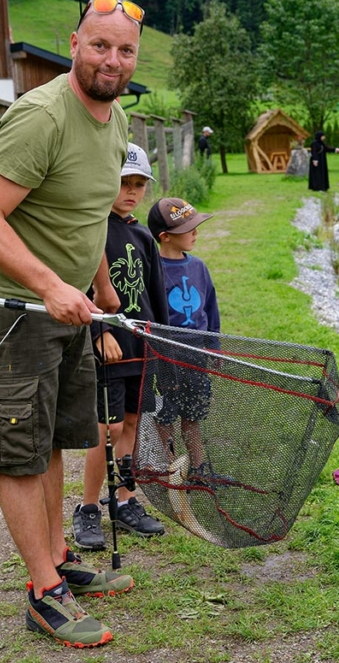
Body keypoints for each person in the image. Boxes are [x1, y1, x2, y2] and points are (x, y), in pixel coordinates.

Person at [0, 0, 144, 649]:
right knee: (21, 447)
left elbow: (90, 213)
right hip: (17, 312)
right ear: (73, 43)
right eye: (99, 45)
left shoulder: (116, 119)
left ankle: (59, 560)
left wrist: (101, 293)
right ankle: (43, 593)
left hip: (73, 308)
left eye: (124, 51)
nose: (111, 60)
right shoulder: (41, 118)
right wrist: (47, 284)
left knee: (58, 437)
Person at [73, 143, 168, 552]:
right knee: (106, 429)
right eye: (122, 183)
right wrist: (98, 332)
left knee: (132, 423)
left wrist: (163, 343)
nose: (130, 191)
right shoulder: (91, 229)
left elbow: (156, 295)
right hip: (107, 348)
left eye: (138, 185)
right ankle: (88, 507)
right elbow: (79, 288)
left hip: (140, 346)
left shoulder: (143, 235)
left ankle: (125, 501)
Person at [147, 197, 219, 477]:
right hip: (165, 356)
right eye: (188, 228)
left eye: (196, 226)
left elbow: (211, 309)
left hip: (196, 354)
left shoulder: (198, 267)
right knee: (165, 413)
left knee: (193, 414)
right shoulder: (153, 271)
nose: (195, 232)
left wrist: (214, 345)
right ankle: (172, 465)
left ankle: (199, 467)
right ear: (165, 237)